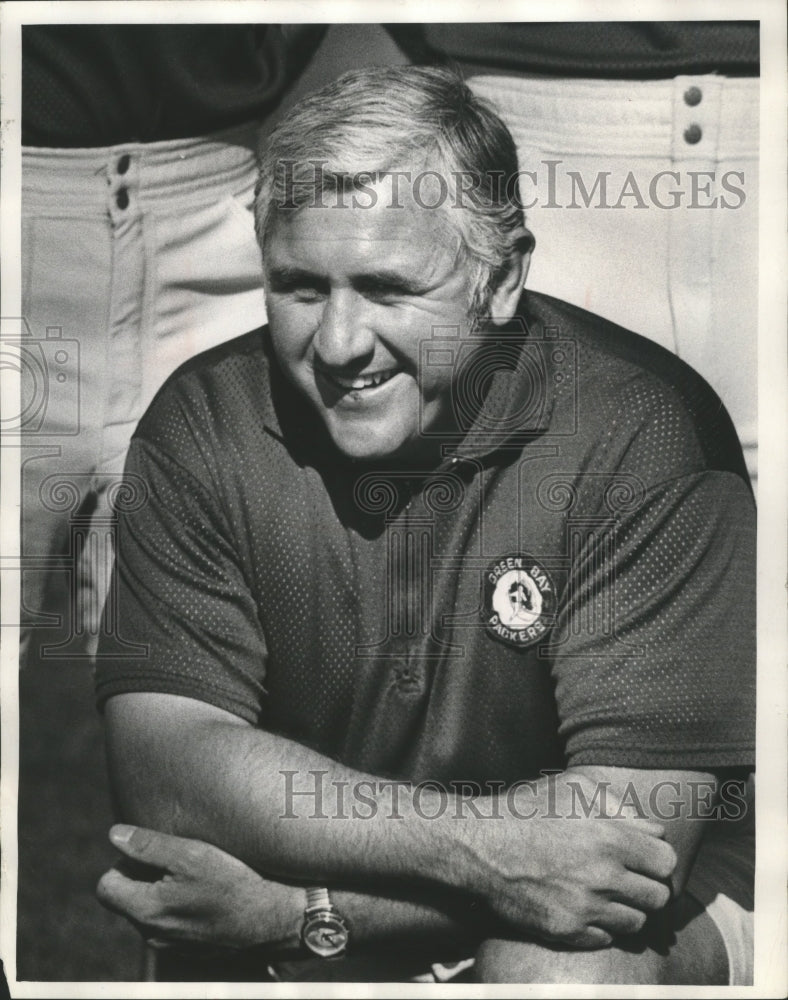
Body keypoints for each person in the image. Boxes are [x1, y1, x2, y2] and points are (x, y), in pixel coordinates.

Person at [93, 66, 755, 985]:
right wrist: (487, 848)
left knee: (557, 970)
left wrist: (303, 915)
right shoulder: (203, 422)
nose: (338, 343)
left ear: (503, 277)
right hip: (419, 883)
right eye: (299, 287)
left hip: (581, 920)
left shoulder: (645, 434)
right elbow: (167, 768)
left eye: (388, 288)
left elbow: (629, 862)